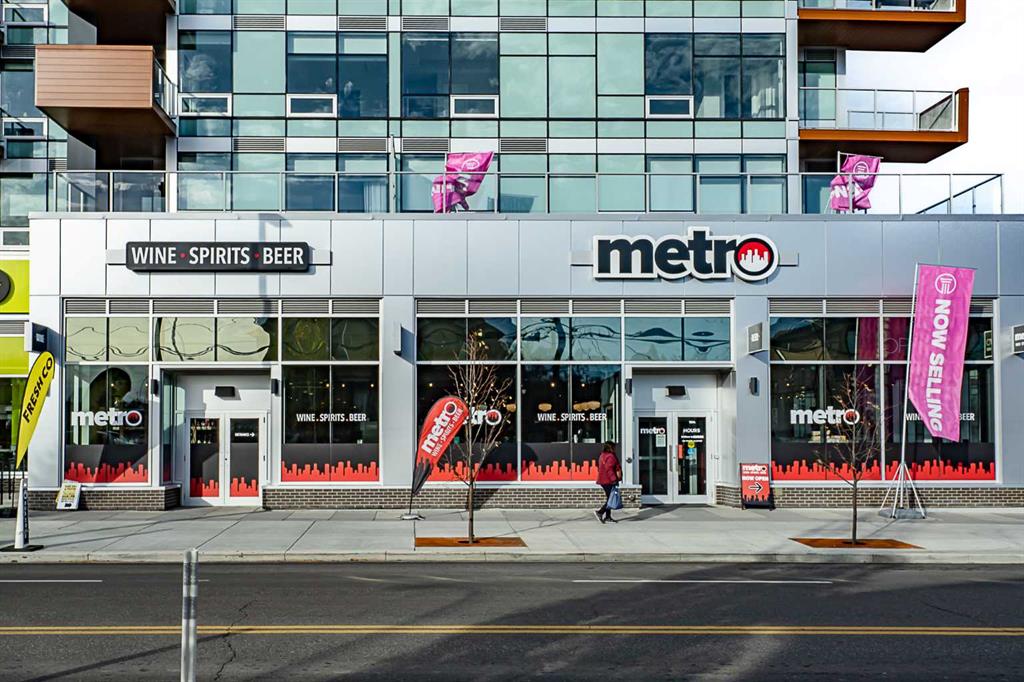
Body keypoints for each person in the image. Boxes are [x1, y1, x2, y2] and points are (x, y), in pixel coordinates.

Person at [594, 441, 623, 524]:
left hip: (603, 480)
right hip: (608, 481)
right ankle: (600, 512)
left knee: (609, 498)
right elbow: (609, 469)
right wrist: (614, 479)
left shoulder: (602, 455)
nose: (615, 448)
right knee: (610, 499)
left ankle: (608, 517)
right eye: (614, 447)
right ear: (611, 447)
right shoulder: (610, 456)